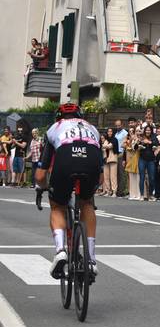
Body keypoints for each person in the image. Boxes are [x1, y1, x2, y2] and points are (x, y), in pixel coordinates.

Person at [35, 103, 103, 278]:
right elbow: (101, 178)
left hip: (65, 159)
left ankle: (60, 251)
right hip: (90, 160)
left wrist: (42, 188)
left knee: (57, 206)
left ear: (58, 117)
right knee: (87, 203)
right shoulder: (93, 129)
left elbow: (41, 174)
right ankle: (91, 260)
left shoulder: (54, 128)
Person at [136, 125, 158, 200]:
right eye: (146, 130)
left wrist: (149, 142)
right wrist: (139, 145)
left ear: (151, 131)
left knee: (151, 177)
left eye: (149, 130)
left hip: (151, 160)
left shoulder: (154, 137)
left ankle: (151, 194)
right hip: (142, 159)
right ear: (144, 131)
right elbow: (135, 147)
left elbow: (157, 145)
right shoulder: (141, 137)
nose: (147, 131)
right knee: (142, 177)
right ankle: (142, 195)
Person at [101, 128, 119, 197]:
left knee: (113, 176)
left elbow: (109, 146)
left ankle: (114, 191)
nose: (109, 132)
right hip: (106, 159)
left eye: (111, 131)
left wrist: (101, 145)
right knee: (106, 176)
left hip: (112, 158)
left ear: (113, 132)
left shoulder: (114, 139)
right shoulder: (106, 140)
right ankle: (108, 191)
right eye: (108, 131)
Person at [125, 128, 142, 200]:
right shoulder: (131, 140)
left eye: (139, 131)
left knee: (138, 177)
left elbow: (136, 148)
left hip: (138, 158)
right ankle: (132, 194)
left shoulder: (141, 139)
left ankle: (138, 194)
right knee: (131, 176)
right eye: (130, 132)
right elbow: (127, 147)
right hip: (131, 158)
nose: (137, 132)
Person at [114, 119, 129, 197]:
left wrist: (123, 155)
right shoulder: (116, 134)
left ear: (122, 125)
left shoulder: (125, 133)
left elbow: (125, 144)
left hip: (122, 153)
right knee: (117, 173)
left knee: (122, 173)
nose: (117, 127)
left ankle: (122, 191)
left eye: (119, 125)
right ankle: (118, 190)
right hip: (116, 154)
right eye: (116, 125)